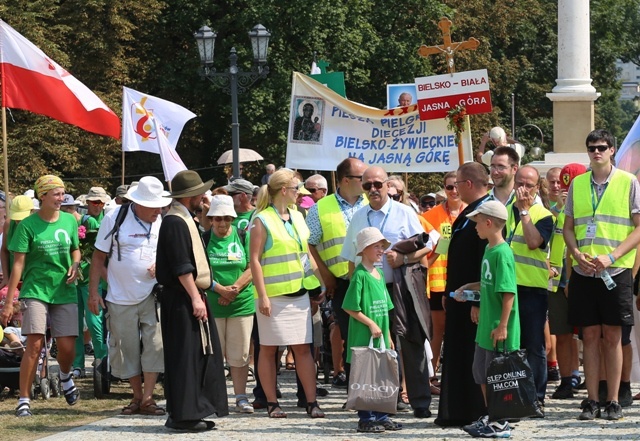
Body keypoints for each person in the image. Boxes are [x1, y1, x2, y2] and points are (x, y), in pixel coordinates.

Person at [341, 166, 433, 418]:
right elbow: (352, 258)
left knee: (412, 341)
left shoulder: (404, 213)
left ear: (387, 186)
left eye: (377, 184)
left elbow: (428, 246)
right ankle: (382, 400)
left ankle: (420, 401)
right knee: (379, 345)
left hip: (401, 287)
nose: (372, 189)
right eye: (367, 185)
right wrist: (355, 289)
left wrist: (403, 259)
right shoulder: (359, 216)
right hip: (371, 289)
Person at [564, 129, 640, 421]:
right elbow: (569, 227)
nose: (596, 152)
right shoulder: (578, 184)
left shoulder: (628, 182)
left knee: (613, 336)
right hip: (585, 272)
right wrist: (576, 253)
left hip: (616, 270)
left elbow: (638, 227)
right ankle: (592, 400)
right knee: (589, 336)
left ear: (612, 150)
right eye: (591, 148)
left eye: (601, 147)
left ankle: (613, 400)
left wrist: (612, 256)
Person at [88, 176, 170, 416]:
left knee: (155, 345)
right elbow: (98, 257)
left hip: (152, 294)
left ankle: (148, 398)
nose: (158, 209)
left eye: (160, 205)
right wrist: (94, 292)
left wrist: (160, 266)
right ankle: (136, 396)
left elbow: (165, 252)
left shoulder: (160, 220)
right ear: (139, 203)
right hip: (120, 296)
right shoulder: (115, 217)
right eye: (154, 205)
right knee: (126, 347)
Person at [0, 175, 81, 417]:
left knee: (67, 347)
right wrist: (8, 301)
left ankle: (66, 376)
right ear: (42, 196)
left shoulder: (69, 221)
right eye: (56, 194)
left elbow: (76, 249)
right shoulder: (27, 225)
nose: (61, 198)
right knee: (34, 345)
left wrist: (76, 264)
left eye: (62, 193)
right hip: (35, 290)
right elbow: (17, 265)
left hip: (64, 290)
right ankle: (24, 398)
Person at [249, 168, 325, 419]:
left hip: (300, 293)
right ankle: (272, 402)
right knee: (269, 350)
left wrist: (319, 285)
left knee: (303, 348)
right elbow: (255, 260)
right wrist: (262, 296)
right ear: (284, 190)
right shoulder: (262, 219)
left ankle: (311, 402)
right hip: (273, 296)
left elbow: (305, 255)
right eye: (296, 189)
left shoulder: (298, 216)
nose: (300, 194)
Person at [156, 170, 229, 431]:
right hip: (181, 298)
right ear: (191, 196)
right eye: (201, 193)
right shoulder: (175, 222)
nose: (204, 197)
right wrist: (195, 298)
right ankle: (183, 415)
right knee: (185, 356)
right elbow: (182, 266)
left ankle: (189, 410)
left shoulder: (184, 218)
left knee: (195, 354)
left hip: (187, 296)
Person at [456, 200, 518, 439]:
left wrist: (503, 325)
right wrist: (467, 287)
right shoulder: (488, 250)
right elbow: (487, 284)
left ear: (489, 222)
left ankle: (500, 422)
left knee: (496, 377)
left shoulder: (502, 253)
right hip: (486, 326)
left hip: (496, 327)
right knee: (481, 372)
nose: (475, 227)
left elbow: (508, 292)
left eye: (478, 222)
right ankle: (492, 415)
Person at [435, 162, 491, 427]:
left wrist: (477, 299)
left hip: (472, 299)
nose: (454, 188)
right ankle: (456, 410)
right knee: (457, 352)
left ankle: (474, 410)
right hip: (458, 296)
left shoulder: (485, 212)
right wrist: (448, 290)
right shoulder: (468, 211)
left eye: (457, 183)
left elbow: (483, 260)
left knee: (472, 355)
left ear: (469, 184)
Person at [306, 157, 368, 389]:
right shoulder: (319, 208)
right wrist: (326, 276)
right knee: (351, 336)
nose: (368, 183)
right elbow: (309, 244)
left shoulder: (369, 203)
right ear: (345, 180)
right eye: (362, 178)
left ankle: (378, 388)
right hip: (342, 283)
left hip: (372, 281)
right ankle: (357, 389)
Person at [343, 227, 402, 433]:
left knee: (380, 376)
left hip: (381, 337)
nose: (381, 250)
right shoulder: (360, 275)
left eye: (382, 246)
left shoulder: (378, 274)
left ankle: (381, 415)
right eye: (376, 246)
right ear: (364, 249)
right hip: (363, 336)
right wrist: (370, 323)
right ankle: (365, 418)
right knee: (365, 377)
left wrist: (387, 335)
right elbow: (350, 306)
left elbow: (386, 307)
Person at [506, 165, 553, 416]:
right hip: (506, 287)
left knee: (533, 345)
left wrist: (524, 211)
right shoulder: (504, 210)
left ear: (537, 187)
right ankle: (512, 395)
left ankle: (536, 397)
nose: (523, 188)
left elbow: (534, 242)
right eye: (519, 183)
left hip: (532, 288)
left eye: (529, 185)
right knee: (511, 344)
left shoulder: (543, 214)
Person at [203, 195, 255, 414]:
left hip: (241, 304)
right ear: (211, 219)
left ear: (233, 218)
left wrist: (233, 290)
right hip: (213, 305)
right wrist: (219, 290)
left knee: (240, 354)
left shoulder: (243, 236)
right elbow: (199, 271)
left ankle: (241, 397)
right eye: (217, 219)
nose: (222, 223)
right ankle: (216, 398)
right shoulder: (203, 239)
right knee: (215, 355)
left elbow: (253, 266)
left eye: (227, 218)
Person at [423, 171, 467, 394]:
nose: (454, 191)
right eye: (449, 187)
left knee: (459, 330)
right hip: (438, 281)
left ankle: (456, 375)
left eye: (457, 186)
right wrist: (441, 246)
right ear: (444, 189)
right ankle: (431, 376)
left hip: (463, 281)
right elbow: (427, 251)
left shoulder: (471, 212)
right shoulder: (430, 216)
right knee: (438, 331)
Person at [547, 165, 585, 400]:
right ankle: (567, 379)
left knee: (587, 335)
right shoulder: (550, 210)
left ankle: (592, 379)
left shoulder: (583, 209)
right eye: (561, 184)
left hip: (580, 276)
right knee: (561, 333)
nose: (561, 188)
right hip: (557, 280)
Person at [73, 186, 109, 378]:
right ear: (87, 203)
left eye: (101, 202)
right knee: (76, 324)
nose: (98, 205)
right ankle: (78, 364)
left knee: (96, 324)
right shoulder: (78, 221)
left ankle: (102, 361)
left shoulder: (109, 220)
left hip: (94, 281)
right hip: (74, 279)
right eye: (94, 202)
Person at [0, 196, 35, 291]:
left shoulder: (38, 226)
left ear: (32, 211)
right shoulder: (9, 224)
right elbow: (4, 250)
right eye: (16, 217)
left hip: (34, 281)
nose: (18, 221)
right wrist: (6, 278)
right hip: (14, 280)